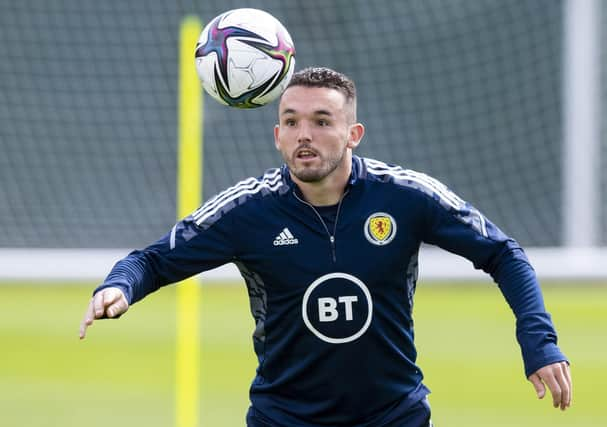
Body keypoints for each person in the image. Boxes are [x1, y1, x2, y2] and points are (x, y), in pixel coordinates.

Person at [79, 67, 571, 426]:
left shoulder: (405, 195)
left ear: (353, 134)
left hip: (393, 416)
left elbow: (503, 253)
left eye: (321, 120)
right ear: (277, 136)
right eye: (291, 122)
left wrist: (538, 341)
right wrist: (119, 287)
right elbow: (154, 259)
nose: (304, 135)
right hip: (284, 418)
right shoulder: (249, 210)